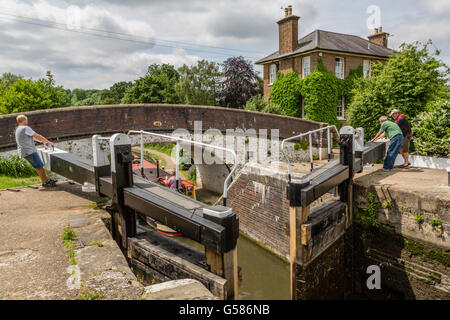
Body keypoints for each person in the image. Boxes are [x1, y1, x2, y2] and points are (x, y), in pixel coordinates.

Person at [15, 115, 56, 187]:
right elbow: (37, 135)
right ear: (24, 120)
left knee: (38, 166)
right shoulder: (25, 128)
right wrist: (49, 142)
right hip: (29, 151)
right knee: (39, 165)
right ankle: (45, 182)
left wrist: (42, 141)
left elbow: (32, 137)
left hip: (24, 151)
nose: (27, 121)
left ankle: (45, 180)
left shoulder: (18, 129)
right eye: (26, 120)